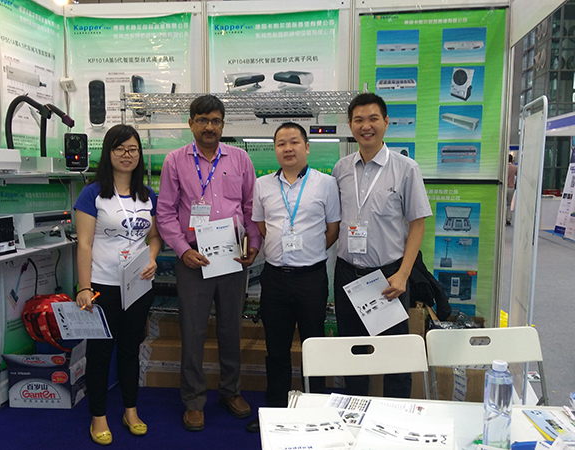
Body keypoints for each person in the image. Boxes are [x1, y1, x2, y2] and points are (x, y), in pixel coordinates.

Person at [157, 94, 261, 431]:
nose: (209, 127)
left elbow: (250, 207)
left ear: (223, 124)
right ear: (191, 124)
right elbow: (165, 212)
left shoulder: (240, 158)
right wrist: (181, 250)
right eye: (202, 120)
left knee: (231, 328)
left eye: (215, 121)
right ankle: (193, 399)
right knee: (193, 331)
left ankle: (231, 391)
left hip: (232, 258)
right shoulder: (175, 161)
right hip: (194, 260)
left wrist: (254, 245)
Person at [332, 93, 432, 398]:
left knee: (394, 356)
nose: (366, 126)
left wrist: (403, 274)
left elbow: (418, 224)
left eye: (373, 119)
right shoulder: (341, 169)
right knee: (352, 353)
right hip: (347, 274)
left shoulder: (406, 168)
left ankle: (394, 417)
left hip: (389, 276)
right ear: (350, 125)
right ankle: (354, 412)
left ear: (386, 122)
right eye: (359, 120)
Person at [246, 122, 340, 433]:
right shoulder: (262, 185)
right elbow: (262, 226)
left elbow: (332, 229)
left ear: (307, 147)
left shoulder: (325, 183)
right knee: (276, 350)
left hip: (311, 278)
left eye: (294, 142)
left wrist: (308, 251)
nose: (288, 148)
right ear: (275, 149)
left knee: (314, 348)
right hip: (274, 278)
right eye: (281, 143)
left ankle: (315, 414)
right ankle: (276, 412)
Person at [74, 124, 162, 445]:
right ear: (108, 152)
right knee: (99, 353)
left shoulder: (147, 195)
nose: (127, 155)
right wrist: (84, 287)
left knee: (130, 350)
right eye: (120, 149)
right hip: (103, 285)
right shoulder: (92, 194)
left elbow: (155, 237)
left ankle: (130, 411)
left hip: (138, 285)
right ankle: (98, 416)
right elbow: (84, 244)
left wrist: (152, 257)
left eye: (133, 149)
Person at [506, 153, 517, 226]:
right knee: (509, 204)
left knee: (501, 203)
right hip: (511, 187)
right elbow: (518, 175)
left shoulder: (503, 167)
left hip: (502, 187)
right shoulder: (515, 167)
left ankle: (500, 218)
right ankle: (508, 219)